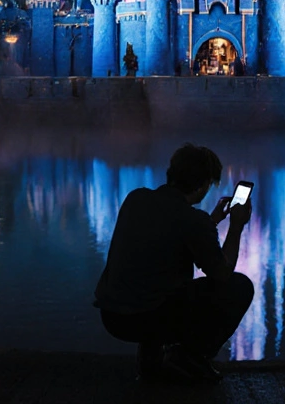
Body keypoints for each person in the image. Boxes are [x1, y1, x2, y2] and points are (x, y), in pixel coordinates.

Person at [94, 144, 254, 383]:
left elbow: (171, 234)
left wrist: (213, 220)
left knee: (155, 279)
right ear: (202, 185)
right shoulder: (192, 221)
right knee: (239, 287)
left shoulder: (135, 198)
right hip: (144, 317)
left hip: (113, 316)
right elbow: (221, 272)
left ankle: (150, 360)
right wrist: (236, 225)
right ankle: (188, 356)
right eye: (210, 184)